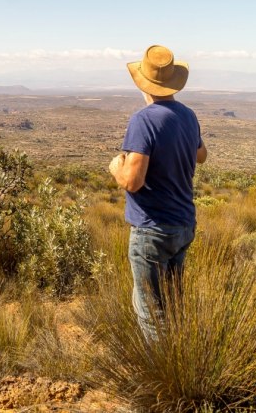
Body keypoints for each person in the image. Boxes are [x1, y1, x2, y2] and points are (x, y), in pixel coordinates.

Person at [108, 44, 207, 339]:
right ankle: (180, 365)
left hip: (152, 229)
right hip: (183, 225)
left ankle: (162, 377)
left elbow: (133, 182)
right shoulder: (188, 115)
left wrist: (116, 167)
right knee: (173, 307)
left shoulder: (144, 119)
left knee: (152, 314)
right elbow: (202, 156)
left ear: (143, 83)